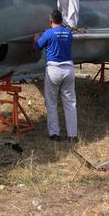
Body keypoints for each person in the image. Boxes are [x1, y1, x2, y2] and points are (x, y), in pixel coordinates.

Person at [34, 9, 78, 142]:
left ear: (50, 21)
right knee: (70, 103)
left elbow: (37, 47)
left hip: (54, 69)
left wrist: (36, 38)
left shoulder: (48, 33)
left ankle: (54, 134)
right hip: (68, 69)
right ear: (61, 20)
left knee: (52, 103)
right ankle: (72, 135)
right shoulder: (68, 33)